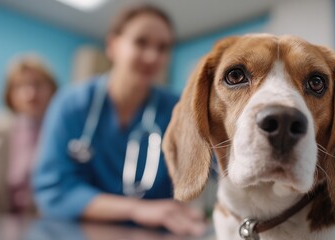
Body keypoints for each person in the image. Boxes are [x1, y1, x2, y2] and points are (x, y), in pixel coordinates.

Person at [32, 5, 206, 236]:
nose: (152, 56)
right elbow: (54, 191)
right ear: (113, 45)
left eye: (163, 47)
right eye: (141, 42)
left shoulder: (179, 110)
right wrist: (136, 210)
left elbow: (213, 166)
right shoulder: (72, 104)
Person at [0, 56, 57, 215]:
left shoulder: (64, 134)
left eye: (38, 84)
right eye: (20, 86)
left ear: (52, 89)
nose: (31, 94)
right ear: (9, 94)